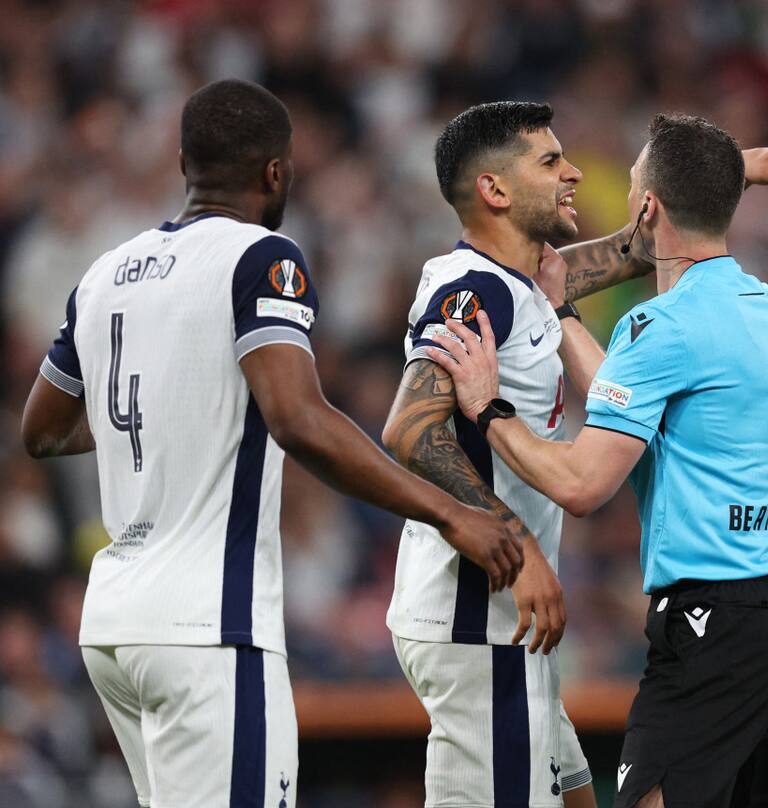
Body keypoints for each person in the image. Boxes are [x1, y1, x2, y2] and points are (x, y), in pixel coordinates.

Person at [18, 79, 523, 808]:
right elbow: (299, 418)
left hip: (114, 626)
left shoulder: (105, 273)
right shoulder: (262, 257)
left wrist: (171, 406)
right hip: (208, 626)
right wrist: (449, 513)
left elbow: (40, 430)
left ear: (184, 161)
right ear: (276, 171)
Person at [420, 112, 768, 808]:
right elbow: (633, 399)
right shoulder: (760, 303)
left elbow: (583, 483)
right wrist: (561, 316)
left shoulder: (660, 327)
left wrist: (489, 410)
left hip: (712, 624)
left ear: (646, 207)